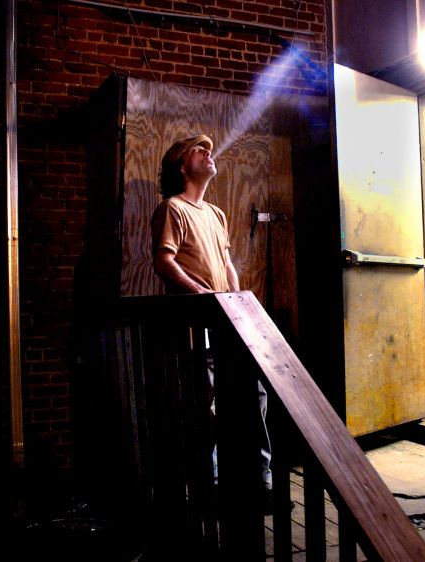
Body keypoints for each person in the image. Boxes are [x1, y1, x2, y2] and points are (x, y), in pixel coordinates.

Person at [150, 134, 273, 502]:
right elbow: (164, 261)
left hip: (227, 319)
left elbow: (225, 262)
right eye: (198, 150)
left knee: (254, 392)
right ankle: (210, 484)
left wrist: (236, 300)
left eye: (208, 148)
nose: (209, 152)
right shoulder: (173, 208)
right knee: (205, 401)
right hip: (196, 323)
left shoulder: (216, 214)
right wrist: (201, 294)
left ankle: (260, 480)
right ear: (182, 166)